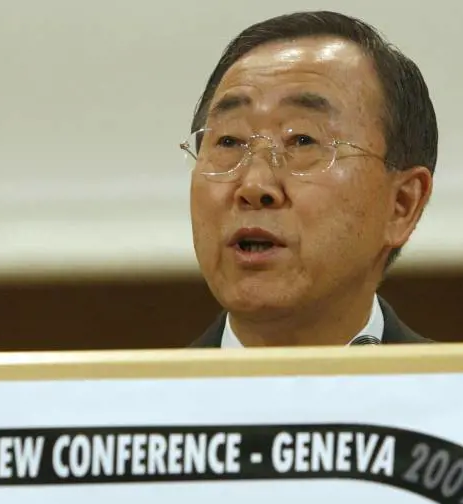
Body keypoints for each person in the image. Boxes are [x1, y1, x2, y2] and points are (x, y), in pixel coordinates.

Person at [184, 11, 436, 348]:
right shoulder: (137, 385)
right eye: (229, 141)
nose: (254, 186)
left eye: (302, 140)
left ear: (401, 205)